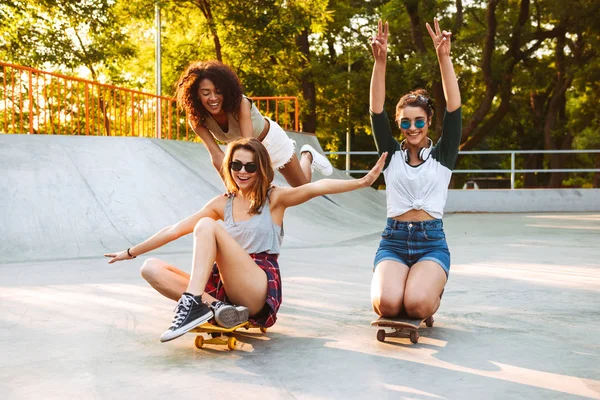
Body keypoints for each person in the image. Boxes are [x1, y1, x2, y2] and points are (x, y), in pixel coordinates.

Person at [105, 138, 386, 342]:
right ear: (229, 166)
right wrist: (130, 252)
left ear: (261, 169)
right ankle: (219, 309)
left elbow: (315, 187)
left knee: (206, 226)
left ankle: (192, 303)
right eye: (237, 164)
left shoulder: (274, 198)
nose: (242, 172)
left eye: (250, 167)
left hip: (258, 285)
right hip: (227, 288)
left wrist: (361, 182)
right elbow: (174, 229)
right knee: (150, 268)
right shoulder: (221, 203)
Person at [368, 18, 461, 320]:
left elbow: (454, 109)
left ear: (427, 122)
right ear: (399, 125)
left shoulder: (442, 156)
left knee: (417, 306)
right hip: (393, 241)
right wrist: (379, 62)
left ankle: (429, 289)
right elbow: (376, 110)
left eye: (419, 121)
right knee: (388, 305)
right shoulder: (391, 154)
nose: (412, 128)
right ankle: (406, 284)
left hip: (431, 242)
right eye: (405, 122)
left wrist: (443, 58)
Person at [175, 60, 333, 186]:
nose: (213, 98)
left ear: (226, 90)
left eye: (218, 91)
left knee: (302, 187)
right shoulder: (197, 120)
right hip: (248, 152)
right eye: (206, 93)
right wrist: (231, 187)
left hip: (270, 141)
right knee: (256, 192)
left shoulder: (240, 104)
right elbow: (217, 155)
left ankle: (307, 156)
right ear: (196, 95)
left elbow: (248, 145)